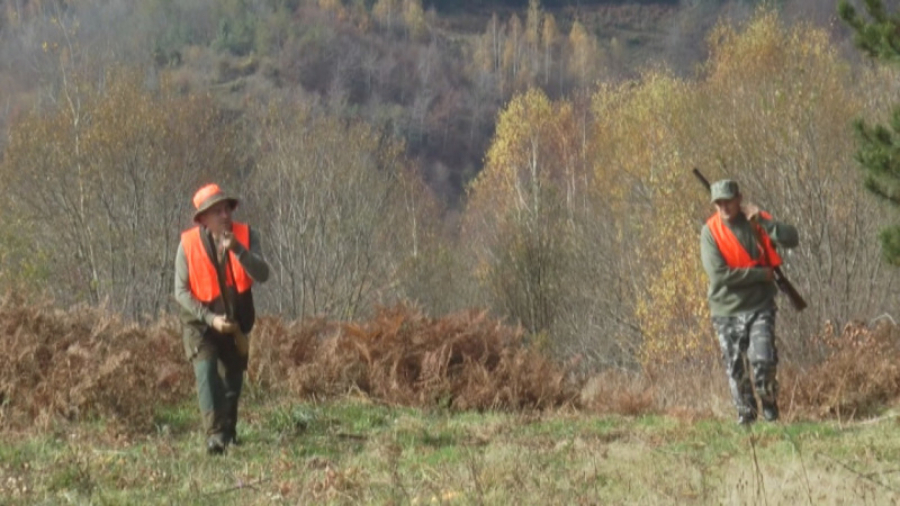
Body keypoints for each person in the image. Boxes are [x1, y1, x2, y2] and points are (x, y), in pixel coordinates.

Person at [174, 183, 270, 454]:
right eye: (216, 211)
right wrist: (209, 318)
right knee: (206, 375)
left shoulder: (248, 236)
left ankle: (228, 433)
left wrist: (239, 250)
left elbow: (263, 274)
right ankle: (214, 437)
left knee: (232, 381)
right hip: (199, 322)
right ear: (203, 219)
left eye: (226, 208)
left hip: (235, 320)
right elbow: (180, 291)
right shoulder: (188, 245)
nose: (225, 215)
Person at [700, 179, 799, 425]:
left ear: (739, 199)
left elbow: (792, 238)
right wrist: (759, 274)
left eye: (728, 200)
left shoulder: (756, 221)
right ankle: (746, 418)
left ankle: (769, 407)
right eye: (718, 203)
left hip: (760, 306)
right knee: (736, 369)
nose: (724, 207)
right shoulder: (709, 232)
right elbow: (720, 276)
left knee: (764, 360)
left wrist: (764, 221)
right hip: (726, 310)